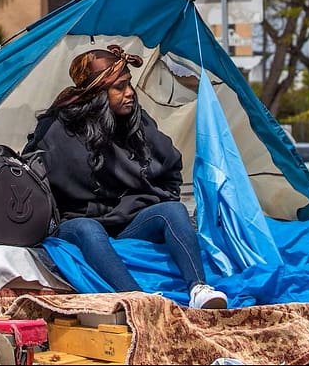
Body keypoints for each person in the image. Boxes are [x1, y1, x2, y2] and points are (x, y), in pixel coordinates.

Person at [24, 45, 228, 310]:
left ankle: (199, 289)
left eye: (129, 84)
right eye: (119, 87)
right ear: (97, 93)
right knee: (89, 228)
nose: (130, 93)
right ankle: (138, 300)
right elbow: (37, 184)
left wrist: (151, 199)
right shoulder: (56, 129)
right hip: (77, 223)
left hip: (128, 222)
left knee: (172, 210)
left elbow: (169, 168)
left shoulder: (136, 123)